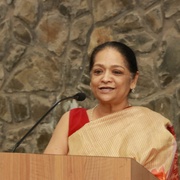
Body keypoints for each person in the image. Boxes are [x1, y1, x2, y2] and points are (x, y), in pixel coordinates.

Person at [44, 41, 179, 180]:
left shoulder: (153, 127)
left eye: (117, 72)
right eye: (98, 72)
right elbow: (47, 172)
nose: (105, 78)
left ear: (133, 80)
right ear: (91, 79)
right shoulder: (72, 120)